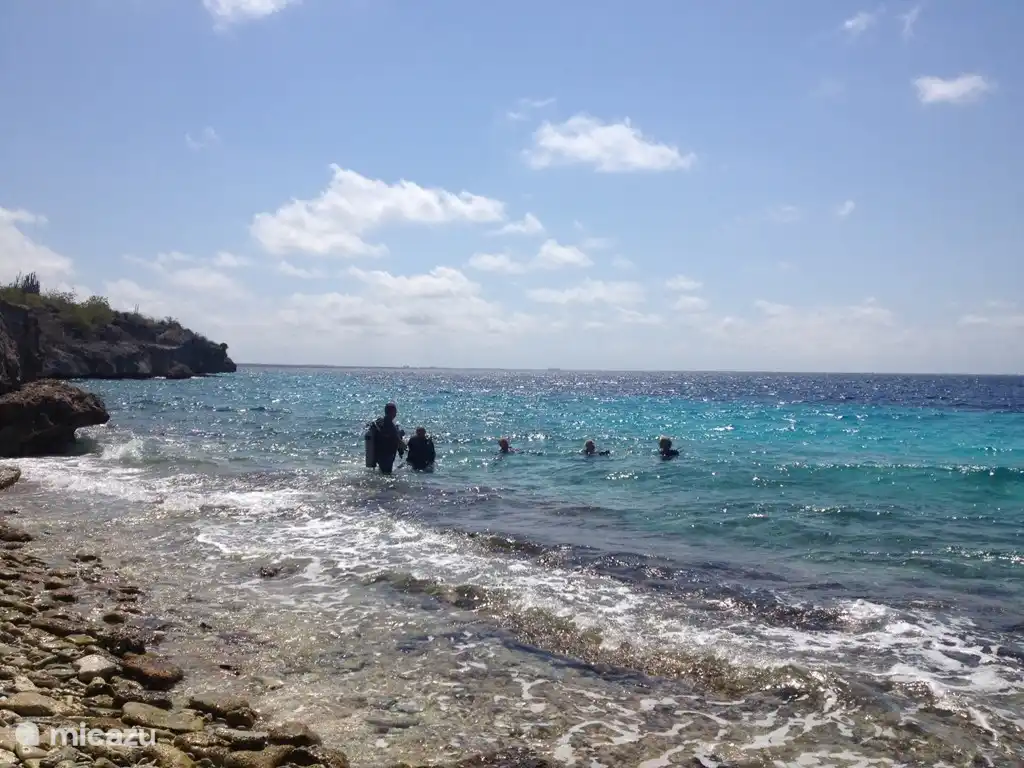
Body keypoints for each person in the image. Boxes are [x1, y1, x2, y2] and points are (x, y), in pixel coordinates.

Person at [369, 402, 405, 475]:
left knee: (382, 473)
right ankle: (384, 486)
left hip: (379, 453)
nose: (396, 413)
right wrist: (406, 445)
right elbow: (397, 439)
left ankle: (378, 485)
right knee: (387, 474)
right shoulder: (389, 423)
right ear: (393, 412)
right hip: (387, 454)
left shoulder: (380, 421)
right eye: (395, 411)